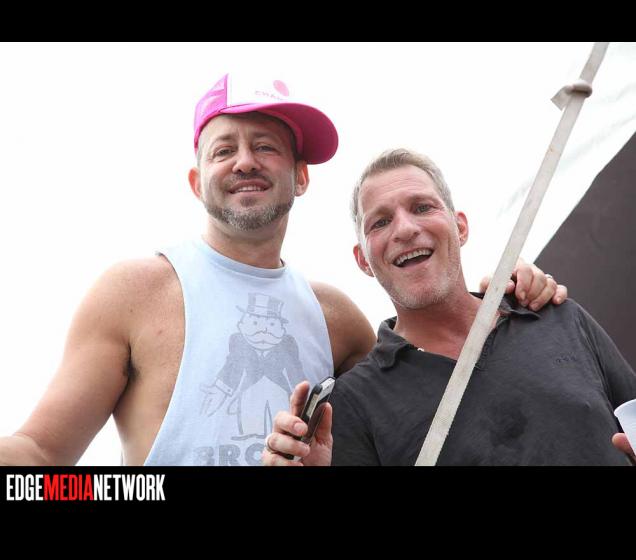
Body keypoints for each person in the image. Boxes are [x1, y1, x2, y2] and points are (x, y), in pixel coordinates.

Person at [0, 76, 564, 466]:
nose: (245, 160)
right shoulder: (133, 290)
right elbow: (41, 455)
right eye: (223, 150)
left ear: (301, 177)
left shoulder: (336, 317)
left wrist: (499, 297)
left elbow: (434, 396)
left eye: (266, 146)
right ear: (197, 182)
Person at [263, 148, 636, 466]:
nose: (405, 229)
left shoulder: (558, 316)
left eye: (422, 207)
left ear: (460, 228)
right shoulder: (354, 402)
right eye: (381, 222)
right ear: (364, 260)